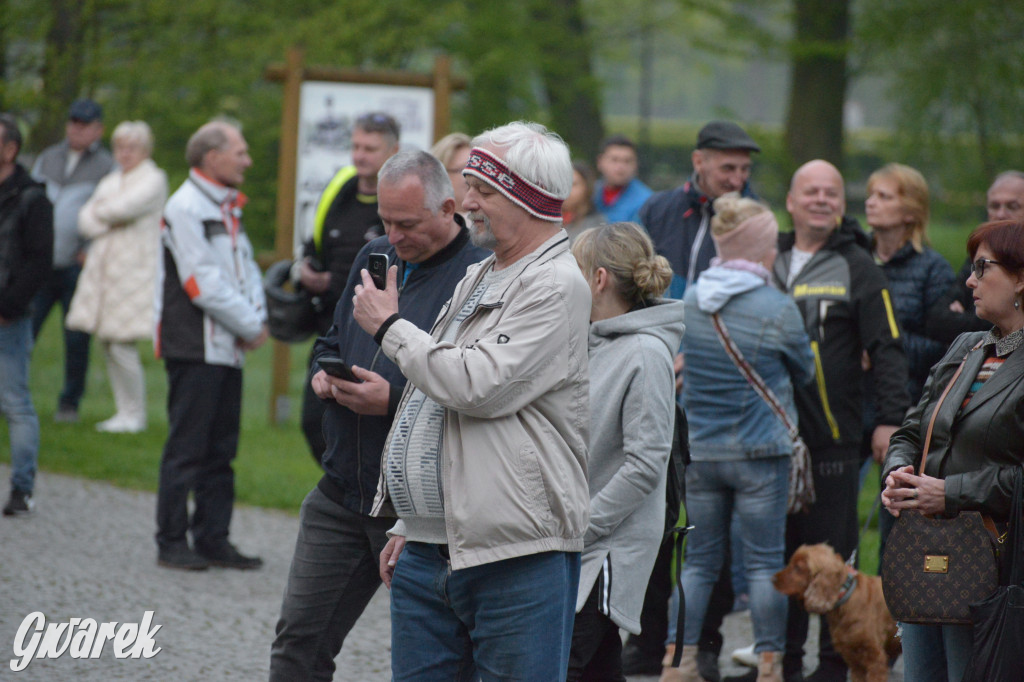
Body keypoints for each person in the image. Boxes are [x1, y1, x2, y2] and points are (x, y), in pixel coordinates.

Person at [352, 121, 591, 680]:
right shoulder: (481, 273)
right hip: (431, 551)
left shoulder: (556, 284)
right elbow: (432, 400)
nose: (466, 202)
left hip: (515, 557)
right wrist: (411, 521)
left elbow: (475, 385)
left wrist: (390, 326)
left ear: (526, 196)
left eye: (483, 190)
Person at [269, 150, 488, 681]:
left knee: (434, 664)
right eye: (386, 220)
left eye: (406, 223)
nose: (393, 235)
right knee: (297, 643)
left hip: (423, 509)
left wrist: (390, 402)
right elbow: (332, 337)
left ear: (448, 208)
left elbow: (475, 390)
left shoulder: (481, 273)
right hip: (343, 490)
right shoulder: (374, 255)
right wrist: (325, 373)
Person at [629, 120, 762, 682]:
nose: (736, 179)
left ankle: (703, 644)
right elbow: (633, 284)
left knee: (712, 529)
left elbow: (760, 301)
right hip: (657, 380)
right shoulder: (660, 212)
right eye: (726, 167)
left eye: (744, 169)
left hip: (721, 395)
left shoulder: (754, 220)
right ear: (699, 162)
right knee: (653, 518)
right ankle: (647, 639)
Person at [662, 196, 814, 682]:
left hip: (702, 453)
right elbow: (805, 373)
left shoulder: (690, 300)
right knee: (765, 562)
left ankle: (677, 663)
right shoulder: (776, 306)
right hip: (761, 453)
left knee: (699, 563)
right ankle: (770, 666)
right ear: (762, 248)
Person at [773, 160, 909, 682]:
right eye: (811, 191)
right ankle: (782, 663)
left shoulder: (858, 265)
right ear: (790, 200)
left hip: (834, 443)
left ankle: (831, 668)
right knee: (788, 564)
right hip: (772, 442)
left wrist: (890, 420)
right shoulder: (770, 256)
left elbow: (888, 348)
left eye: (832, 192)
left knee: (831, 564)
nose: (822, 200)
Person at [882, 219, 1024, 682]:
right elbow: (910, 430)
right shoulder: (967, 346)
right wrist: (899, 473)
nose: (969, 281)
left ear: (1021, 278)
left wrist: (952, 492)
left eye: (983, 268)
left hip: (996, 569)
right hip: (926, 553)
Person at [567, 222, 683, 681]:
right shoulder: (590, 339)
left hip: (603, 549)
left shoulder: (646, 354)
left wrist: (581, 527)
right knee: (597, 668)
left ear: (598, 280)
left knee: (566, 663)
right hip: (577, 544)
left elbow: (645, 464)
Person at [153, 120, 268, 571]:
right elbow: (202, 282)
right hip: (195, 346)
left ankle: (213, 538)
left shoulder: (227, 207)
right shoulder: (185, 206)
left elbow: (245, 271)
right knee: (187, 448)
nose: (247, 160)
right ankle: (171, 540)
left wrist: (256, 318)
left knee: (222, 450)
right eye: (239, 152)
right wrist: (250, 325)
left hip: (227, 346)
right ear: (210, 156)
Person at [299, 111, 400, 465]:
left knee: (369, 423)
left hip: (379, 333)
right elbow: (314, 248)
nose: (359, 156)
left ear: (393, 151)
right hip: (332, 326)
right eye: (356, 146)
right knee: (314, 420)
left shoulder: (398, 203)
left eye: (370, 148)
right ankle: (338, 480)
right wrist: (308, 271)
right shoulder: (338, 191)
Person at [65, 121, 168, 433]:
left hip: (134, 272)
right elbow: (85, 220)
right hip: (105, 271)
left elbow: (125, 208)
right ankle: (122, 411)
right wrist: (105, 215)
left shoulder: (153, 178)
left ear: (145, 150)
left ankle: (135, 414)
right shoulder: (111, 180)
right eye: (120, 147)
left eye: (132, 147)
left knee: (122, 344)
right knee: (107, 342)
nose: (125, 153)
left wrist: (103, 213)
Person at [30, 98, 114, 423]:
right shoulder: (49, 157)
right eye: (73, 122)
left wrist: (89, 250)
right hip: (41, 263)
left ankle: (70, 403)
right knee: (25, 331)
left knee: (76, 338)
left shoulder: (106, 165)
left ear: (98, 129)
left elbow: (110, 212)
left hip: (78, 266)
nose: (76, 129)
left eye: (84, 124)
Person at [0, 114, 53, 516]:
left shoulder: (33, 198)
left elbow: (38, 263)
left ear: (10, 149)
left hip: (8, 318)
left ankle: (22, 488)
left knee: (15, 402)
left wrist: (8, 308)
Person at [865, 163, 954, 404]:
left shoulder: (933, 270)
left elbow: (947, 350)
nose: (871, 202)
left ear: (910, 212)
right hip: (851, 402)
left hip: (907, 403)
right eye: (871, 195)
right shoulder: (854, 259)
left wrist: (879, 349)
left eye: (884, 196)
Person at [925, 170, 1024, 344]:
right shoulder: (981, 255)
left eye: (1012, 206)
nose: (1000, 214)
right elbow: (937, 320)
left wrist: (966, 316)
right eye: (994, 206)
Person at [593, 135, 652, 223]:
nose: (621, 167)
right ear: (600, 162)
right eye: (614, 160)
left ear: (636, 165)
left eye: (627, 161)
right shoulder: (589, 192)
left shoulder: (646, 202)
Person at [563, 160, 604, 243]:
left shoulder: (596, 225)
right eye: (563, 183)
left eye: (573, 184)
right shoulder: (548, 221)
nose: (567, 190)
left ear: (587, 187)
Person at [430, 131, 472, 212]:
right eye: (465, 169)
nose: (473, 176)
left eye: (475, 168)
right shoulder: (427, 222)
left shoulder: (490, 222)